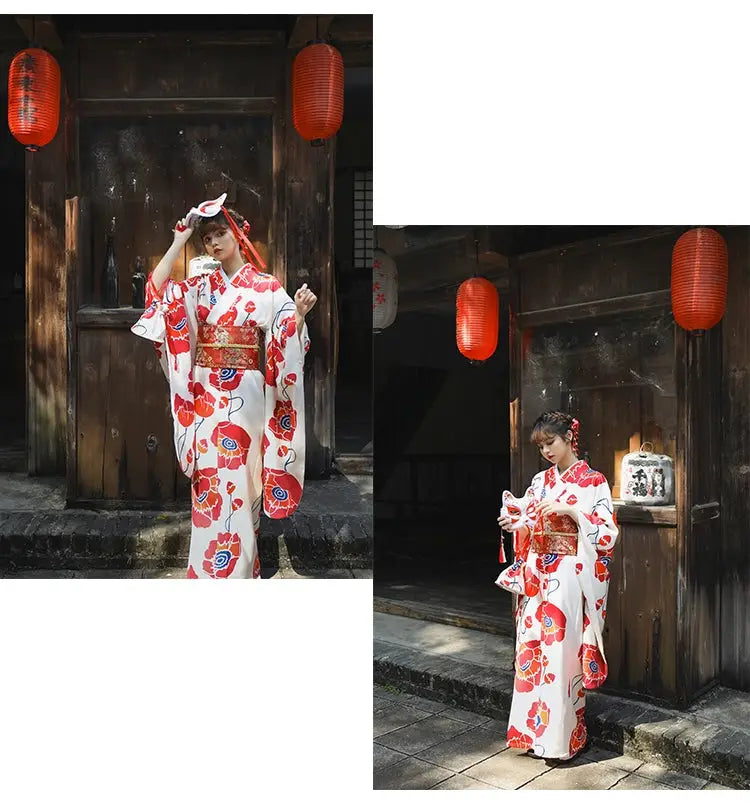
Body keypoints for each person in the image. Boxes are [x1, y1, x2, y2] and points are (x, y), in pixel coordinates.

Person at [131, 201, 317, 579]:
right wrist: (177, 241)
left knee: (243, 481)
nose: (214, 242)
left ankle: (241, 570)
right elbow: (157, 292)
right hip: (206, 398)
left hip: (246, 397)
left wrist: (297, 315)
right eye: (207, 238)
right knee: (210, 483)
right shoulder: (200, 287)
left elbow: (287, 339)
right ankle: (207, 572)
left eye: (220, 233)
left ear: (238, 233)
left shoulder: (265, 287)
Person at [495, 411, 618, 759]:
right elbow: (528, 520)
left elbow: (607, 533)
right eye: (542, 446)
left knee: (561, 657)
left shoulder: (593, 481)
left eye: (552, 442)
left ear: (569, 438)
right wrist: (515, 522)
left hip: (568, 575)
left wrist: (573, 511)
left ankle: (563, 741)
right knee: (531, 653)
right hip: (537, 575)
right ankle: (533, 735)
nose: (547, 451)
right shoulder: (539, 482)